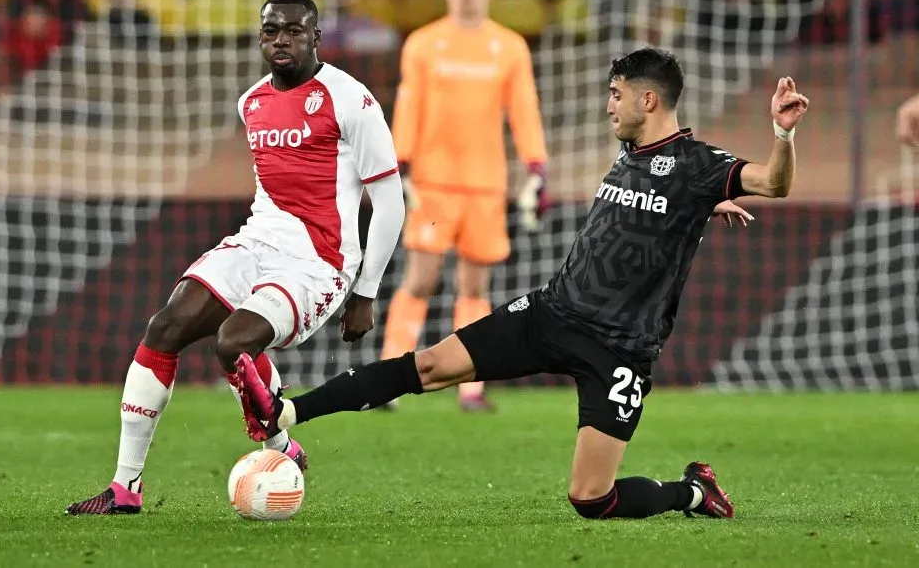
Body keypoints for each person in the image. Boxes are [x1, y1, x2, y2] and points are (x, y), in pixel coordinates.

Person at [234, 47, 809, 521]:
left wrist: (780, 136)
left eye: (616, 93)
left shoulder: (698, 165)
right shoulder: (633, 153)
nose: (609, 105)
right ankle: (287, 414)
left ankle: (690, 491)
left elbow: (773, 184)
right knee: (429, 366)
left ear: (647, 98)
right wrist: (699, 210)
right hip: (551, 314)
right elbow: (652, 209)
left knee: (591, 500)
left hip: (620, 351)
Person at [66, 0, 406, 515]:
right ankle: (124, 488)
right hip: (256, 241)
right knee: (164, 328)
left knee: (233, 343)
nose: (281, 41)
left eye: (294, 31)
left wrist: (365, 292)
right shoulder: (251, 102)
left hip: (320, 262)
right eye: (271, 30)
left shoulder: (350, 99)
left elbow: (389, 201)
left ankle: (273, 438)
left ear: (316, 37)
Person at [381, 0, 550, 412]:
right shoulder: (422, 44)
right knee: (420, 280)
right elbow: (408, 106)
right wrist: (399, 163)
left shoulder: (509, 46)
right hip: (433, 184)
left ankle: (470, 388)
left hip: (485, 185)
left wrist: (536, 166)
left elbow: (524, 109)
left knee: (474, 288)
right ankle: (388, 380)